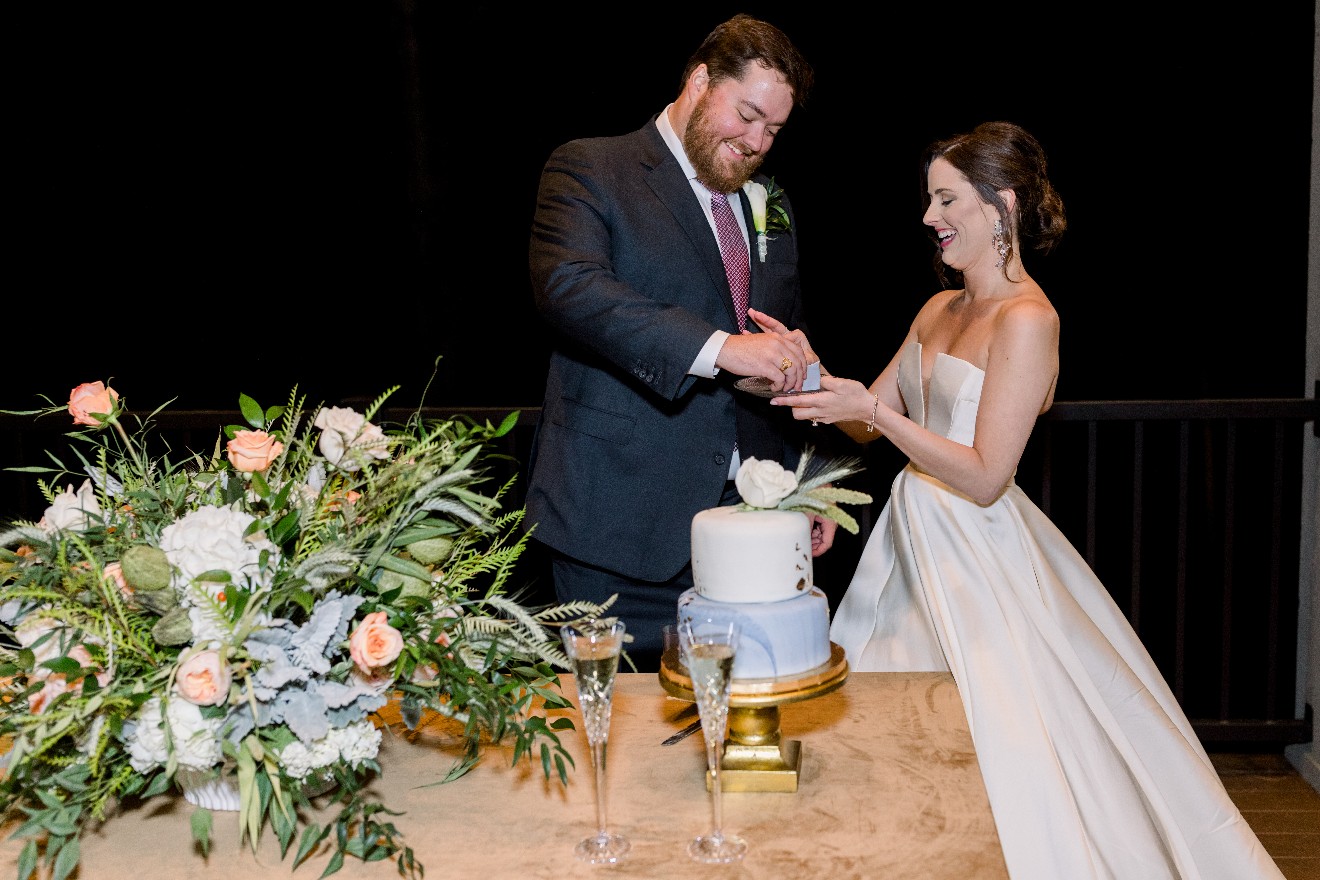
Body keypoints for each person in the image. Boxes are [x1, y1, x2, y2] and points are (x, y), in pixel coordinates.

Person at [761, 121, 1285, 878]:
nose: (929, 216)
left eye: (947, 199)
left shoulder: (1030, 320)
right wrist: (809, 373)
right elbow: (866, 422)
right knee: (888, 720)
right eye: (929, 199)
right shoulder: (936, 310)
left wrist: (877, 413)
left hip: (978, 553)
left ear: (1001, 203)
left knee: (1003, 733)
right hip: (910, 543)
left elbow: (985, 475)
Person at [525, 14, 832, 672]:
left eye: (774, 130)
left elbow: (785, 341)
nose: (757, 143)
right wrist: (722, 348)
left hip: (749, 530)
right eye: (747, 115)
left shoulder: (771, 200)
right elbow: (570, 288)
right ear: (699, 81)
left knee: (743, 718)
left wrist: (811, 481)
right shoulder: (591, 167)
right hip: (616, 529)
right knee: (618, 727)